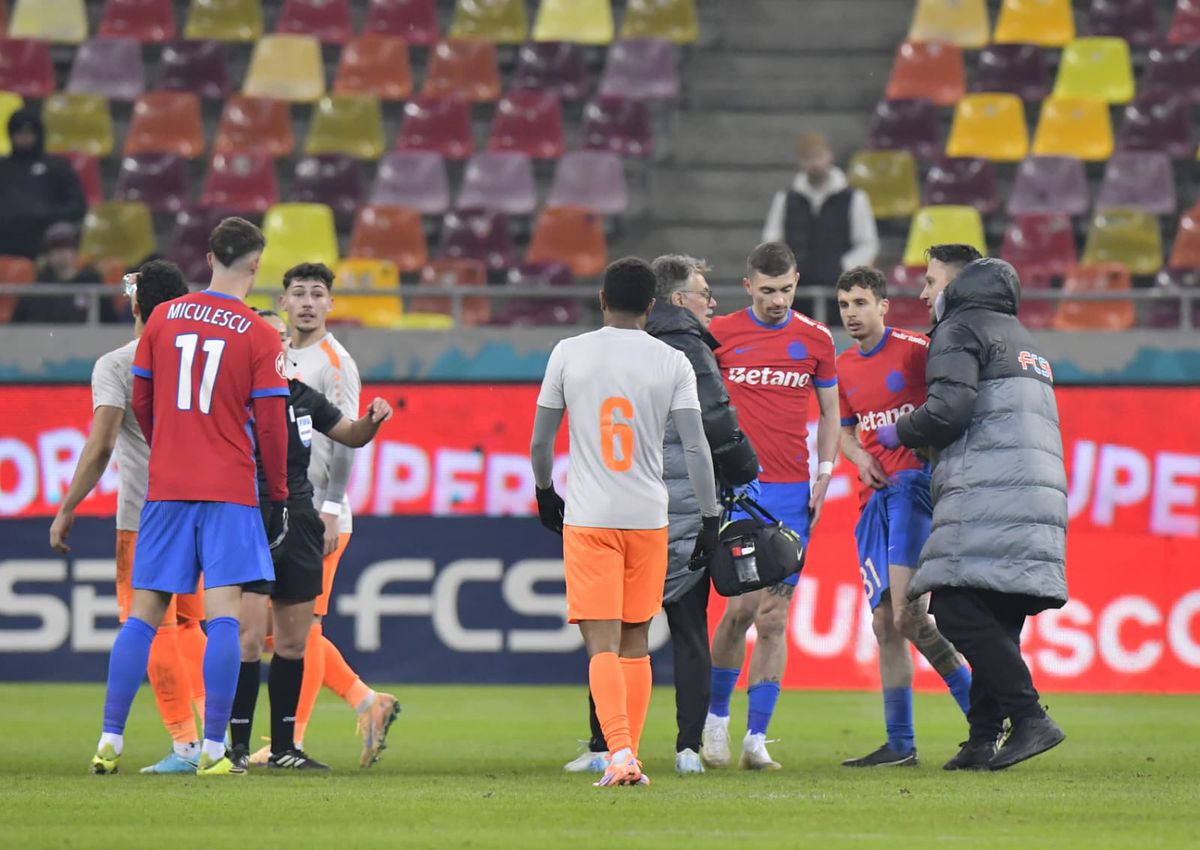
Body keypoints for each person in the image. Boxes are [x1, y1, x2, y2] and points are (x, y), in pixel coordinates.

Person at [89, 216, 290, 777]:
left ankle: (109, 738)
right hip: (228, 489)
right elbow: (272, 425)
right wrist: (276, 492)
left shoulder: (163, 319)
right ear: (255, 265)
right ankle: (213, 748)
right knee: (222, 618)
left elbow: (143, 398)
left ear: (209, 258)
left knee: (142, 617)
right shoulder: (259, 333)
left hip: (167, 489)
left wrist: (169, 446)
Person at [530, 257, 723, 788]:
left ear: (601, 300)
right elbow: (695, 447)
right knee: (636, 641)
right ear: (651, 307)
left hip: (591, 518)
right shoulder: (672, 361)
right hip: (649, 519)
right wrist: (709, 517)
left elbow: (542, 440)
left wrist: (545, 491)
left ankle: (617, 752)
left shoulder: (568, 352)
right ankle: (629, 754)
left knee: (601, 644)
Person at [565, 255, 759, 777]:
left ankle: (607, 744)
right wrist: (743, 471)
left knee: (609, 633)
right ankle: (687, 747)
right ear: (674, 299)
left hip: (617, 505)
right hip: (679, 510)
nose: (711, 303)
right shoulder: (688, 351)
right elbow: (714, 426)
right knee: (688, 629)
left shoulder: (604, 347)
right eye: (703, 293)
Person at [878, 251, 1069, 771]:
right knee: (997, 616)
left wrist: (901, 431)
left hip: (990, 486)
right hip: (1037, 488)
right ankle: (983, 739)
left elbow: (949, 410)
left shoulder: (959, 328)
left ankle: (1029, 718)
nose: (923, 293)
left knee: (955, 609)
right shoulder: (1024, 338)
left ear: (958, 284)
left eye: (931, 281)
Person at [50, 260, 210, 775]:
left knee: (150, 624)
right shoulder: (199, 363)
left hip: (145, 516)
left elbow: (100, 446)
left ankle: (185, 745)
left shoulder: (119, 364)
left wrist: (67, 506)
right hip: (201, 511)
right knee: (191, 624)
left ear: (136, 304)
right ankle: (220, 739)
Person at [230, 310, 394, 772]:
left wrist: (372, 420)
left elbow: (351, 435)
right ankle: (236, 747)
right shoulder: (232, 399)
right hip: (250, 518)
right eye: (267, 337)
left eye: (281, 338)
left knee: (293, 643)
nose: (277, 344)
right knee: (247, 641)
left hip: (300, 518)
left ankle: (284, 748)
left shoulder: (302, 396)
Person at [701, 242, 841, 771]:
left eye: (785, 290)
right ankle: (716, 720)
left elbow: (831, 413)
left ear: (797, 281)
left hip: (791, 495)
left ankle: (756, 739)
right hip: (741, 492)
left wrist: (824, 473)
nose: (778, 300)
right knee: (739, 610)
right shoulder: (721, 334)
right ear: (748, 287)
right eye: (767, 291)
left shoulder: (816, 338)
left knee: (775, 616)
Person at [832, 266, 974, 768]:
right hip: (871, 502)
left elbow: (952, 407)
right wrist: (859, 458)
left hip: (913, 490)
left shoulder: (917, 351)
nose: (851, 313)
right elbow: (845, 431)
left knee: (907, 615)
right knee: (885, 624)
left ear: (883, 306)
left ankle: (985, 713)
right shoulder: (843, 365)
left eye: (860, 303)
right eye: (844, 304)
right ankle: (900, 743)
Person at [762, 132, 879, 293]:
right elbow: (771, 240)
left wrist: (845, 267)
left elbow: (867, 243)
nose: (814, 163)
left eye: (818, 156)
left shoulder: (855, 198)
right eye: (807, 158)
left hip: (841, 290)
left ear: (829, 155)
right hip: (795, 291)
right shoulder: (784, 199)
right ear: (799, 161)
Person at [0, 108, 86, 260]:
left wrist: (45, 215)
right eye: (18, 132)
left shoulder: (58, 167)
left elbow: (77, 206)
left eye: (29, 132)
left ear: (38, 134)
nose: (24, 137)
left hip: (44, 240)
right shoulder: (3, 167)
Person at [12, 222, 112, 324]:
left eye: (66, 246)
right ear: (47, 254)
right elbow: (16, 326)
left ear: (75, 250)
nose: (61, 253)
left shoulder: (92, 283)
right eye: (55, 248)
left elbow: (111, 323)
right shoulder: (37, 290)